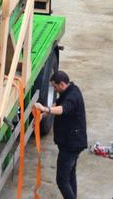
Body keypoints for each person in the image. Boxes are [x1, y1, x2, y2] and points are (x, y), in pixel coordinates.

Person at [34, 70, 87, 199]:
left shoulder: (73, 97)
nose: (55, 89)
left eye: (55, 86)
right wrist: (43, 115)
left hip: (71, 145)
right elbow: (58, 103)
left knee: (62, 181)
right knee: (70, 176)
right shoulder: (69, 91)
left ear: (62, 84)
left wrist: (45, 109)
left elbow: (63, 109)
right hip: (73, 142)